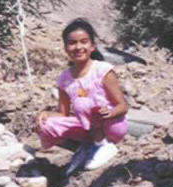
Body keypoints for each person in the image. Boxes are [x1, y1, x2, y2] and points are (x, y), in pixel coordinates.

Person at [37, 18, 128, 175]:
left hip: (111, 125)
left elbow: (123, 106)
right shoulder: (65, 79)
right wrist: (45, 114)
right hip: (87, 126)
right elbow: (63, 114)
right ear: (65, 47)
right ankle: (87, 146)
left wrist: (110, 113)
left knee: (88, 105)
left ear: (92, 46)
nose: (78, 47)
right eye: (72, 43)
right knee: (46, 125)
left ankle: (104, 146)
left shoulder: (102, 70)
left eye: (83, 42)